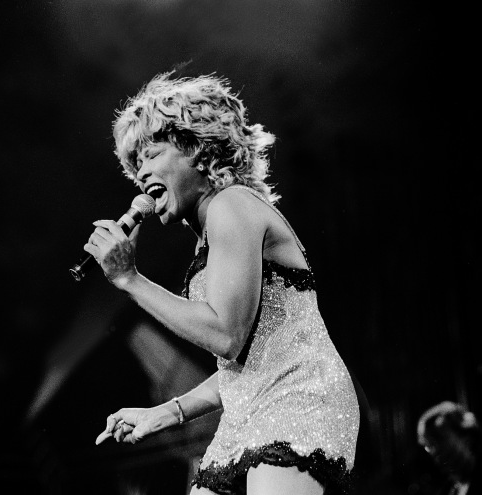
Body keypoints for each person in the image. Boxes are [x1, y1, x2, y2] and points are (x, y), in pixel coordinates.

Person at [85, 72, 360, 495]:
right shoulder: (210, 232)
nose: (141, 175)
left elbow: (226, 335)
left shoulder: (231, 205)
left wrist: (129, 279)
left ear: (196, 149)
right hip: (249, 409)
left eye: (152, 155)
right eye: (135, 165)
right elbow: (247, 363)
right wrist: (166, 412)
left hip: (298, 399)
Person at [416, 401, 482, 495]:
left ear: (466, 437)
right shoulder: (447, 491)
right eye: (429, 446)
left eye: (440, 440)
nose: (435, 452)